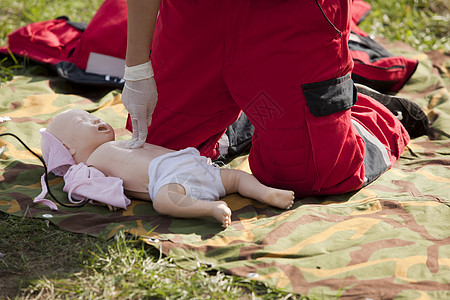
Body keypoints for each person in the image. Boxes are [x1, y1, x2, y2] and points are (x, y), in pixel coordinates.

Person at [121, 1, 412, 197]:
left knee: (314, 176)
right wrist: (136, 69)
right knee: (152, 163)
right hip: (198, 13)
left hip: (287, 14)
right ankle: (254, 113)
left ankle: (367, 113)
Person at [35, 109, 294, 227]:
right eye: (85, 122)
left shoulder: (120, 143)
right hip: (170, 176)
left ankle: (265, 192)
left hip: (187, 163)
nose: (98, 120)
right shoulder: (87, 166)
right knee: (167, 200)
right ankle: (215, 206)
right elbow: (85, 187)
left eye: (93, 116)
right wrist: (103, 197)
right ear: (69, 150)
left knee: (234, 178)